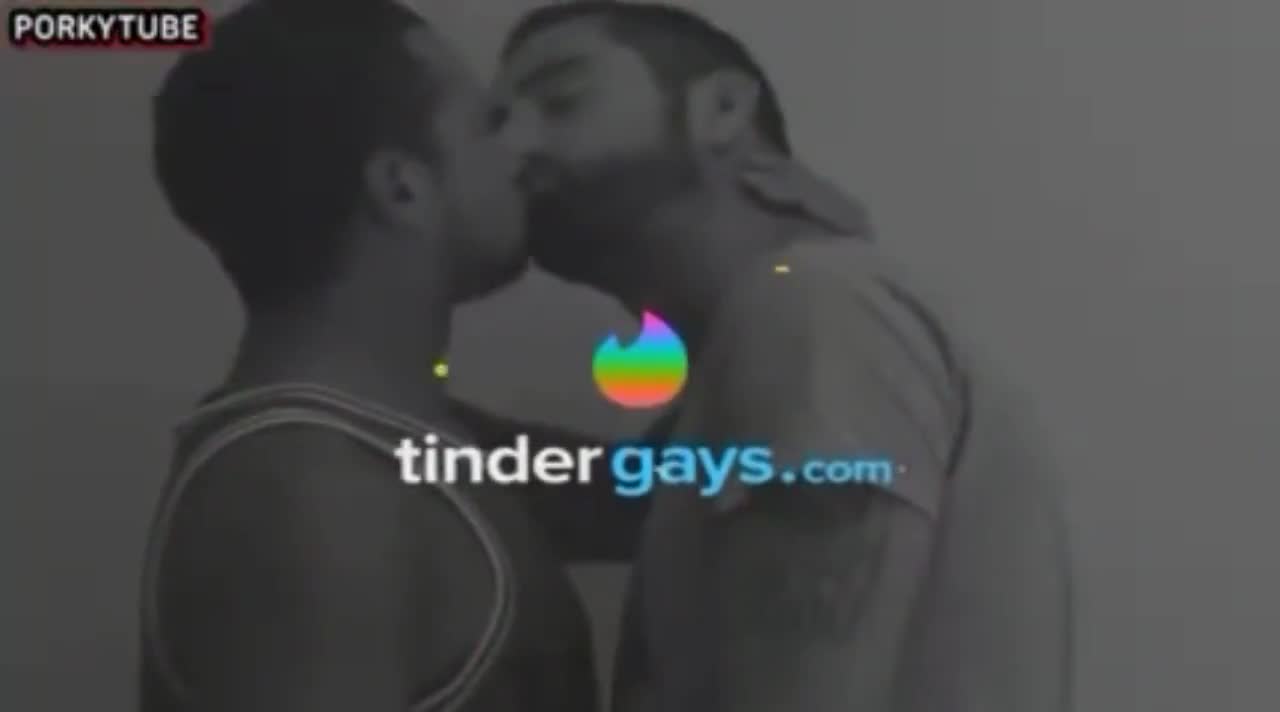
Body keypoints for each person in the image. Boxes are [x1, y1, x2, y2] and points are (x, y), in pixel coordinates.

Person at [495, 3, 1074, 712]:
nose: (512, 146)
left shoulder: (809, 307)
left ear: (721, 108)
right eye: (494, 125)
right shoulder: (793, 326)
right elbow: (592, 497)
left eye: (562, 99)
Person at [138, 2, 602, 711]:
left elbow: (659, 488)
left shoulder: (398, 441)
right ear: (401, 188)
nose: (519, 154)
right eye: (487, 125)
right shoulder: (312, 494)